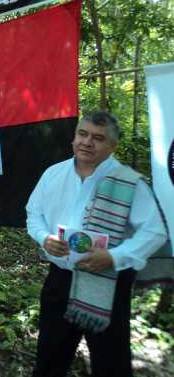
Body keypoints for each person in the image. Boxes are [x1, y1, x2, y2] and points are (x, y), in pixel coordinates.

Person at [26, 111, 167, 377]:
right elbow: (34, 213)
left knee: (110, 364)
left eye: (98, 138)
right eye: (83, 134)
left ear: (113, 146)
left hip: (108, 283)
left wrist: (115, 257)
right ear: (74, 137)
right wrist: (45, 237)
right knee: (49, 360)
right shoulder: (53, 174)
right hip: (60, 281)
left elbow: (155, 231)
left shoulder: (129, 182)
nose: (87, 142)